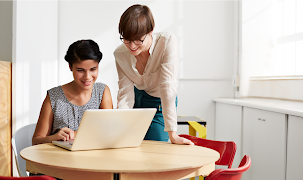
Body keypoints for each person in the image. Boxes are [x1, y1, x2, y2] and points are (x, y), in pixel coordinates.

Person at [114, 4, 193, 145]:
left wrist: (173, 134)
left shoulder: (166, 42)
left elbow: (167, 88)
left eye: (138, 40)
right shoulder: (120, 54)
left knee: (156, 146)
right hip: (136, 98)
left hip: (159, 101)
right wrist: (120, 126)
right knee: (127, 143)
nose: (132, 46)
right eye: (126, 39)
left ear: (150, 31)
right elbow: (125, 93)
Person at [32, 39, 113, 145]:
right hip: (58, 159)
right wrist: (54, 138)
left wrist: (74, 134)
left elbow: (108, 132)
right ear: (70, 67)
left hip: (94, 158)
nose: (87, 77)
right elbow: (36, 141)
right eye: (80, 70)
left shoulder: (102, 92)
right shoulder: (53, 97)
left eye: (93, 69)